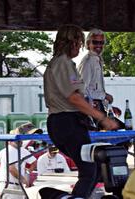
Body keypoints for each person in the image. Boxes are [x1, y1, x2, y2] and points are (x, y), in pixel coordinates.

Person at [43, 24, 118, 199]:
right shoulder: (63, 63)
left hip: (64, 121)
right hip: (66, 121)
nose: (80, 47)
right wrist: (101, 117)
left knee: (95, 167)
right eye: (79, 42)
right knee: (89, 168)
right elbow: (74, 97)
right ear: (73, 42)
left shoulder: (64, 63)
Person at [0, 123, 38, 199]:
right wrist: (24, 180)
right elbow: (11, 168)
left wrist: (28, 171)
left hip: (16, 185)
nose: (21, 141)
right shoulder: (9, 150)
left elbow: (34, 162)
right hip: (9, 185)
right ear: (11, 141)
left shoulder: (22, 150)